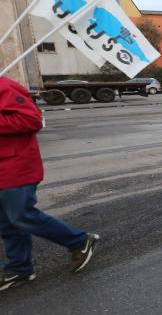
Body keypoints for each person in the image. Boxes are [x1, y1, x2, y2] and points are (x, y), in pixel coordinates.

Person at [0, 77, 99, 291]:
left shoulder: (5, 87)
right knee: (7, 223)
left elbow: (31, 120)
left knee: (21, 216)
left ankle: (79, 241)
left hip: (15, 166)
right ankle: (20, 268)